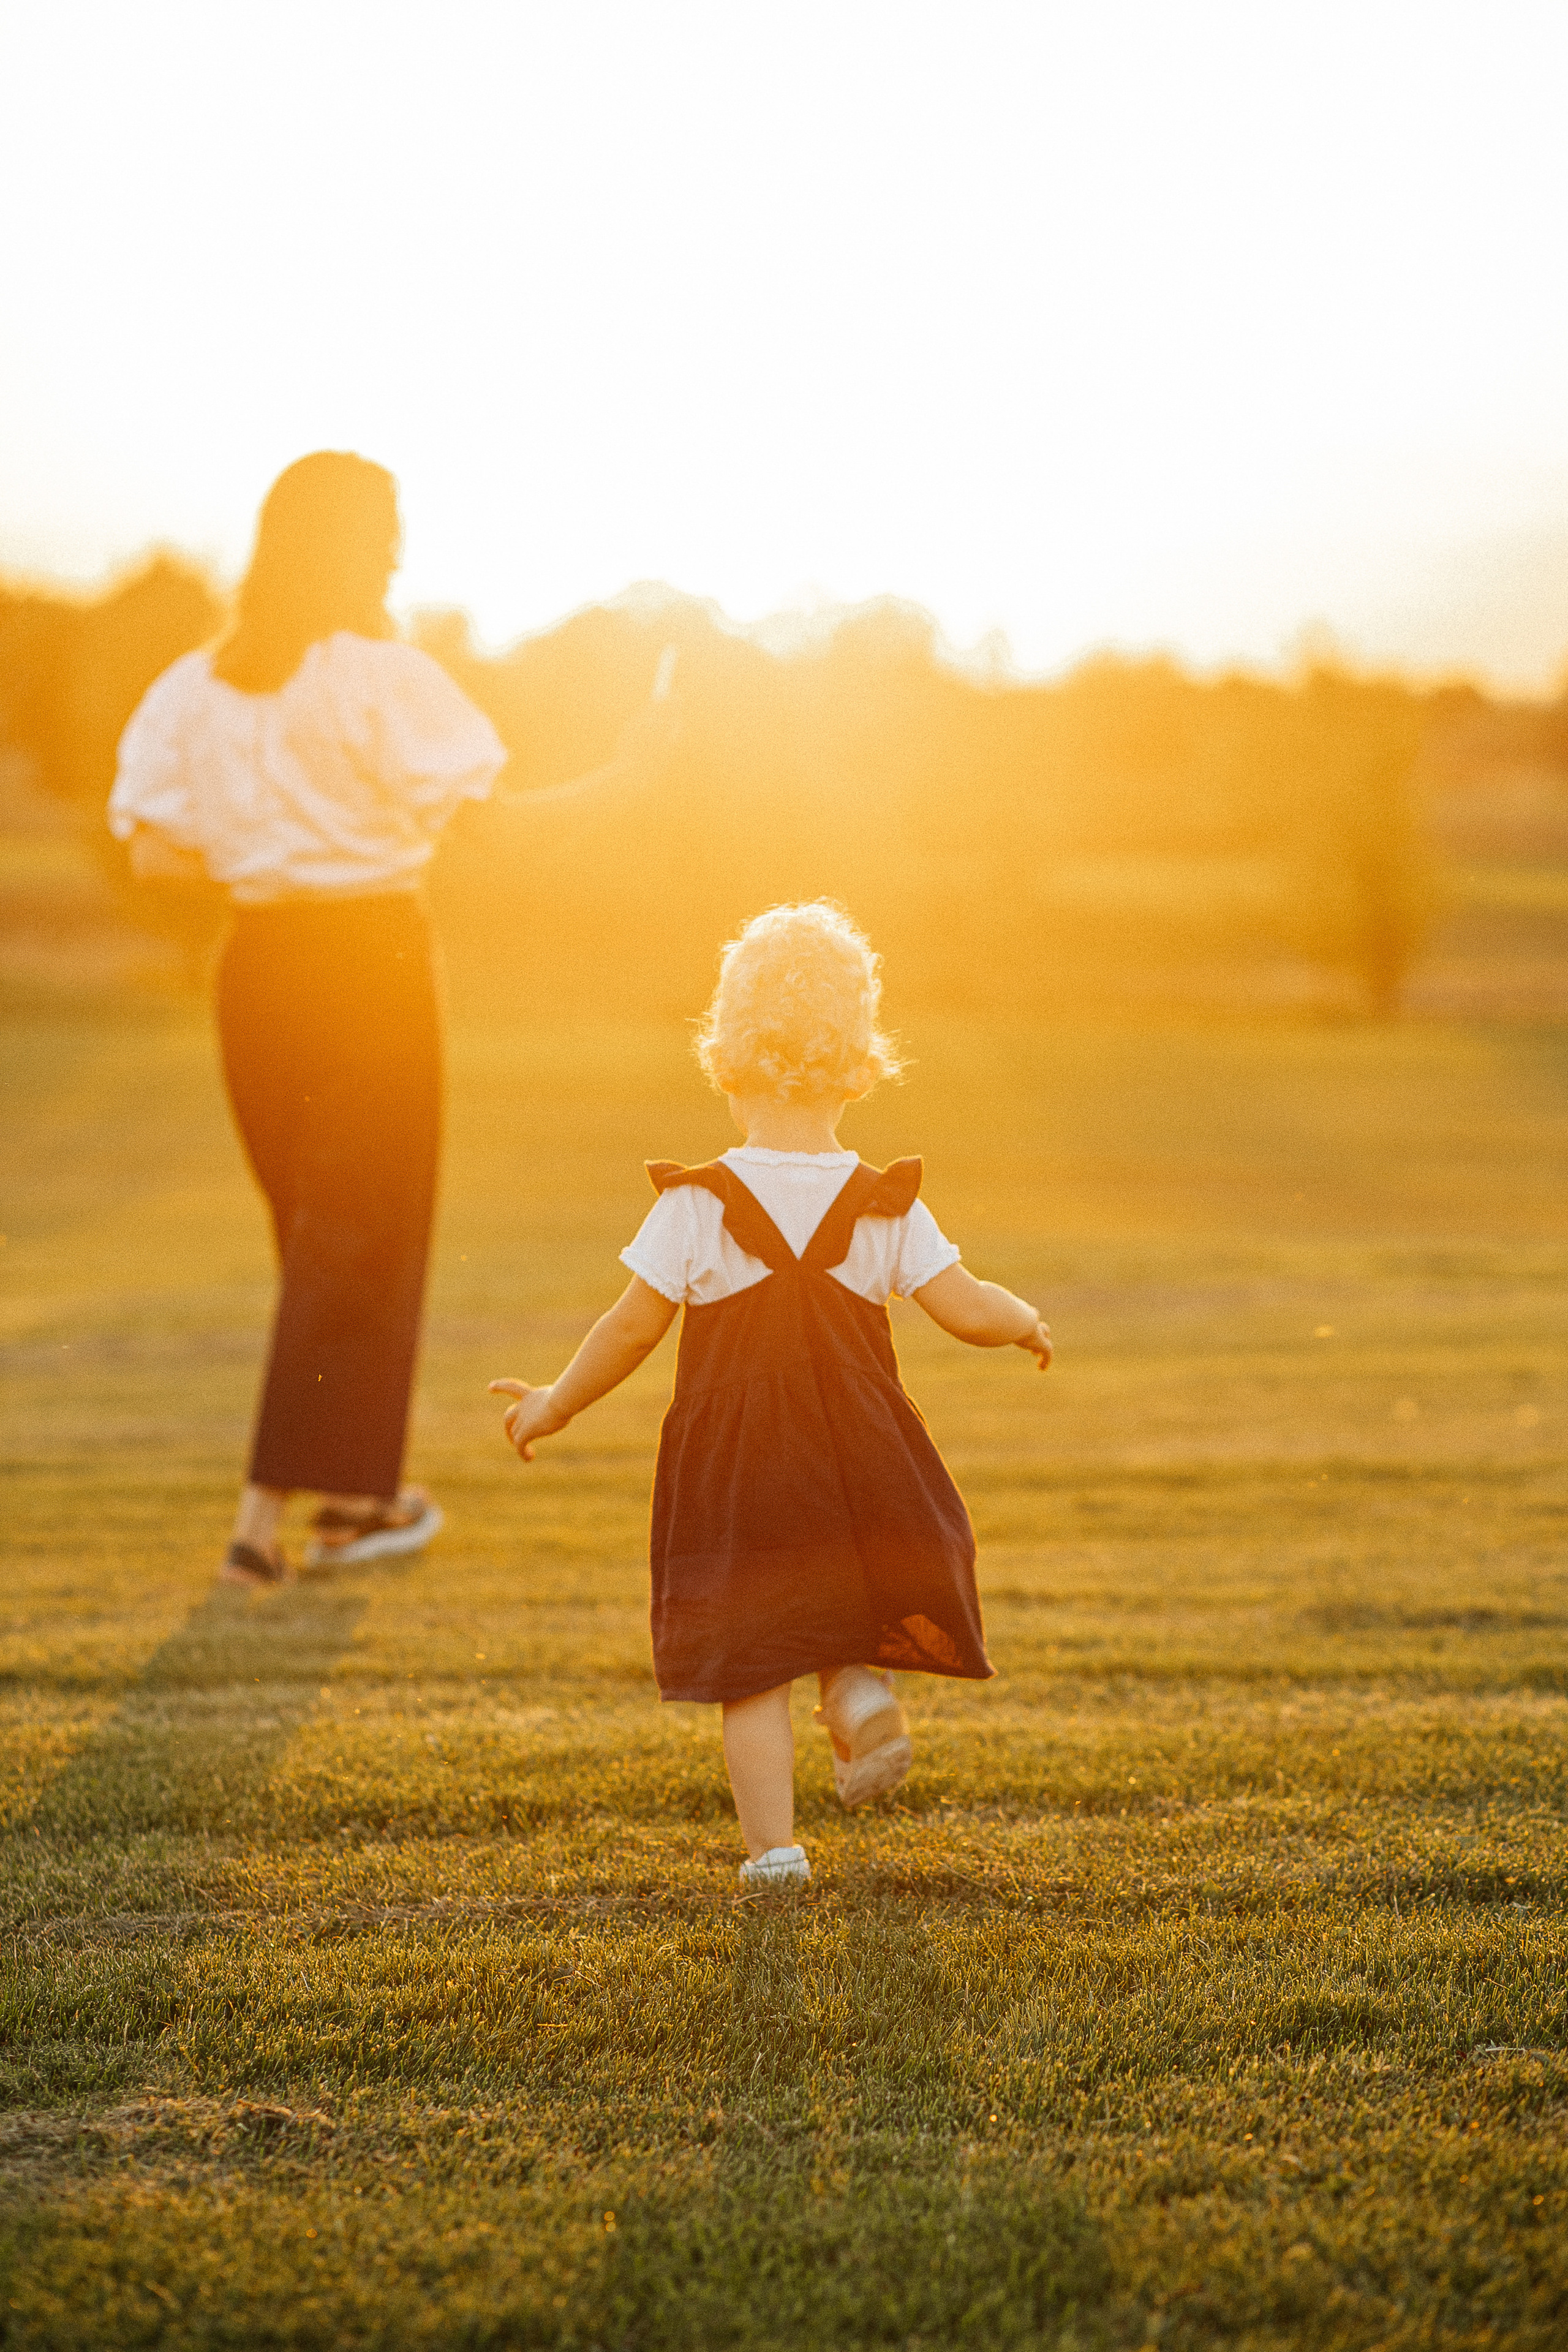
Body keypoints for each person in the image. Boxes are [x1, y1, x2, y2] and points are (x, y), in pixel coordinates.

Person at [108, 450, 674, 1588]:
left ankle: (360, 1504)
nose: (402, 548)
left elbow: (151, 846)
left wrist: (259, 853)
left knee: (322, 1241)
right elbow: (497, 837)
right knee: (355, 1239)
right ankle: (261, 1524)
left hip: (255, 968)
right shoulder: (379, 677)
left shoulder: (193, 688)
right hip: (370, 960)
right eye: (391, 528)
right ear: (364, 544)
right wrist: (628, 778)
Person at [490, 899, 1051, 1890]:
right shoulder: (885, 1201)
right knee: (840, 1592)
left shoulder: (697, 1204)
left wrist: (554, 1401)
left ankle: (776, 1856)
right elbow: (963, 1306)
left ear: (728, 1050)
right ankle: (857, 1688)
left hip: (740, 1464)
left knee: (749, 1660)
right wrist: (1024, 1321)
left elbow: (629, 1328)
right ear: (859, 1055)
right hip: (858, 1457)